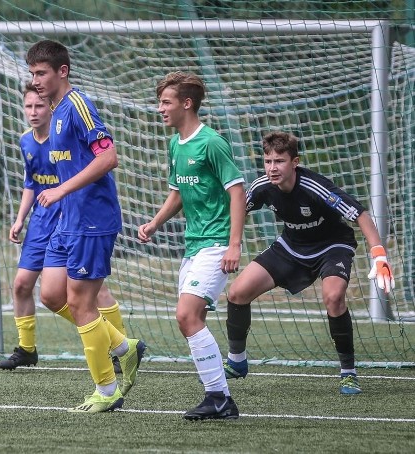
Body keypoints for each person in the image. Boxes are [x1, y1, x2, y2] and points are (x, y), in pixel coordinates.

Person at [225, 131, 394, 395]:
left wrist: (379, 254)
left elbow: (359, 214)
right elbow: (237, 208)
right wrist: (228, 244)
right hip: (291, 247)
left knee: (334, 297)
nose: (272, 168)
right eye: (268, 161)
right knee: (237, 292)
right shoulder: (262, 187)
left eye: (279, 161)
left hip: (332, 247)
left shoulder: (315, 186)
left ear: (295, 162)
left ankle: (348, 373)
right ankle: (237, 362)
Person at [26, 40, 146, 414]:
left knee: (80, 304)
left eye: (41, 73)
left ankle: (107, 390)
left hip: (93, 220)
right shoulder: (56, 111)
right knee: (50, 295)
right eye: (32, 74)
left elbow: (109, 157)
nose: (36, 80)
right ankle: (124, 347)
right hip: (68, 219)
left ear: (62, 71)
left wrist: (61, 189)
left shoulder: (78, 105)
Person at [0, 83, 128, 373]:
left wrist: (63, 193)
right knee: (26, 286)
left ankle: (118, 352)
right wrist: (20, 218)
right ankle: (27, 349)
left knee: (88, 291)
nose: (33, 111)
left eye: (38, 105)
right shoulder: (26, 142)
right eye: (28, 106)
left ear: (49, 105)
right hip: (43, 219)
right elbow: (31, 183)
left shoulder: (69, 123)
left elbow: (105, 158)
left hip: (75, 215)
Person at [138, 71, 245, 420]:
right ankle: (219, 399)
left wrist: (234, 245)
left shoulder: (212, 142)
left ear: (187, 103)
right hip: (193, 246)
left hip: (216, 245)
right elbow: (177, 193)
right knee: (190, 319)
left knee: (186, 315)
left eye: (166, 102)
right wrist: (155, 222)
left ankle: (220, 397)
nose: (160, 109)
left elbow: (237, 192)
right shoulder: (175, 144)